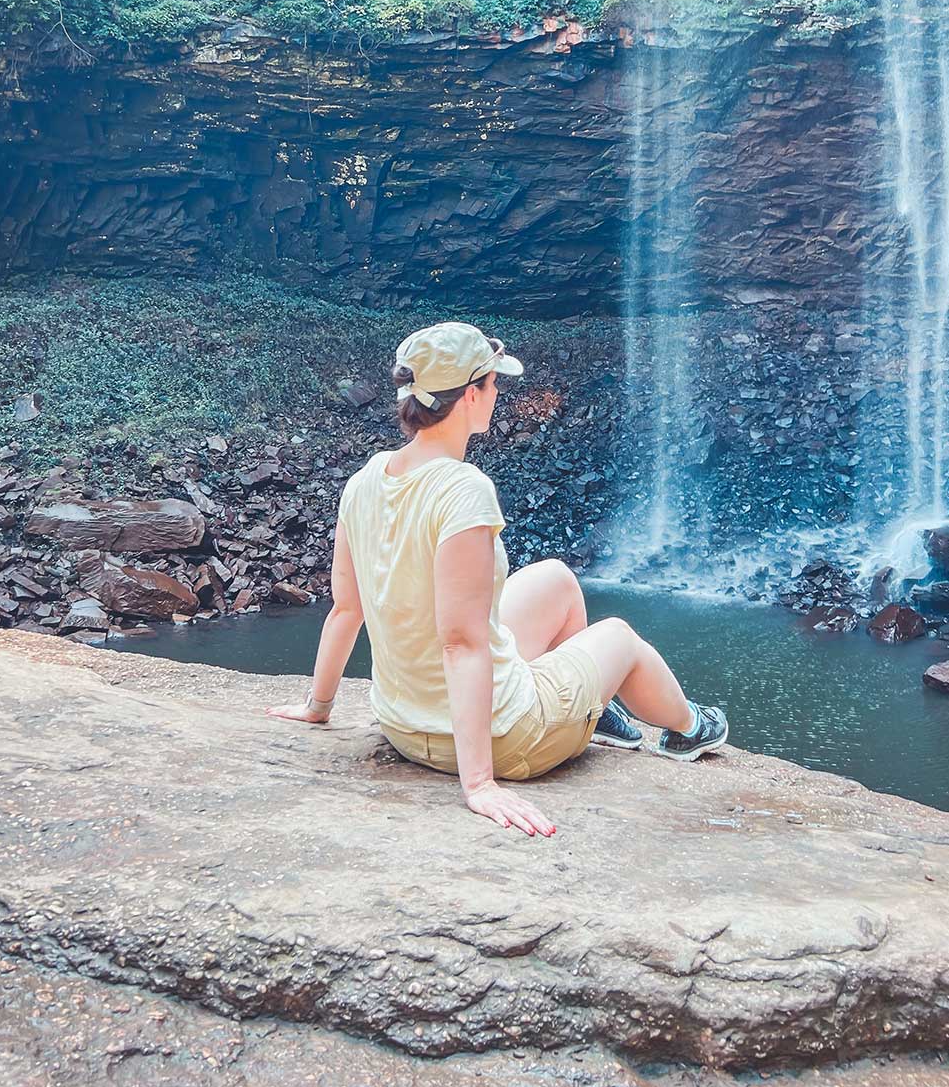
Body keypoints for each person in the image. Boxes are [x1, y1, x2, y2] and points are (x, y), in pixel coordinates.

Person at [265, 321, 728, 838]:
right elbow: (462, 643)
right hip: (506, 738)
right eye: (492, 383)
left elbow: (346, 609)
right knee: (621, 636)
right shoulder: (463, 489)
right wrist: (479, 784)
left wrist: (318, 706)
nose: (497, 393)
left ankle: (597, 717)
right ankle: (690, 728)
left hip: (403, 726)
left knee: (556, 579)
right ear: (468, 395)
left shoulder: (365, 479)